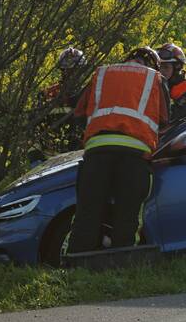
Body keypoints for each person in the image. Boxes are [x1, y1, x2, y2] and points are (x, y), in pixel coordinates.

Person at [66, 46, 168, 255]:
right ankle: (122, 265)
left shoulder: (102, 73)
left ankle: (75, 264)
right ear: (153, 65)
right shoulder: (155, 79)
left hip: (97, 152)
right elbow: (165, 119)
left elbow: (78, 112)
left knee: (87, 212)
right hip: (135, 156)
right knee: (128, 215)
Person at [28, 46, 87, 165]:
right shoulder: (47, 95)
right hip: (50, 163)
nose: (72, 74)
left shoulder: (88, 94)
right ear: (62, 70)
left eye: (76, 70)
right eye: (69, 70)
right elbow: (33, 129)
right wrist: (35, 158)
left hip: (80, 159)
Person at [157, 42, 186, 124]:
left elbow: (169, 118)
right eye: (159, 67)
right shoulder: (167, 85)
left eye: (166, 67)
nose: (161, 71)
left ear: (177, 67)